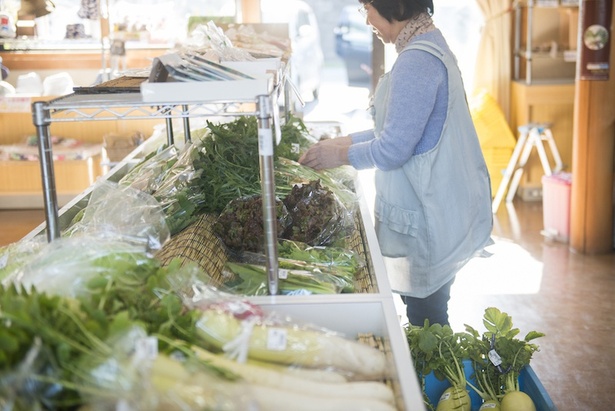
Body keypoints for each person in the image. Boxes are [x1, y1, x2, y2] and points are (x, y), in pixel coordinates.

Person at [299, 0, 493, 326]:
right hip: (443, 208)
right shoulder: (427, 43)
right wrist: (343, 142)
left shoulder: (416, 61)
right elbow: (400, 129)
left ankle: (438, 377)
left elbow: (392, 150)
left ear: (395, 6)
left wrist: (339, 156)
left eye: (367, 9)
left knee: (427, 317)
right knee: (428, 312)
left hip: (429, 215)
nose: (367, 20)